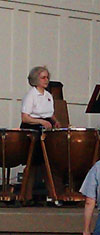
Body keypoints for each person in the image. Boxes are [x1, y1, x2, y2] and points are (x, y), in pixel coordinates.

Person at [20, 66, 61, 202]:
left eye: (47, 77)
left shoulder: (48, 96)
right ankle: (26, 196)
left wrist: (55, 121)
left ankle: (53, 194)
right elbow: (25, 117)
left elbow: (50, 113)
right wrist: (41, 122)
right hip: (32, 130)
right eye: (43, 77)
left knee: (47, 163)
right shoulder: (30, 95)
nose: (46, 80)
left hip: (46, 130)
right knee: (32, 164)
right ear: (36, 80)